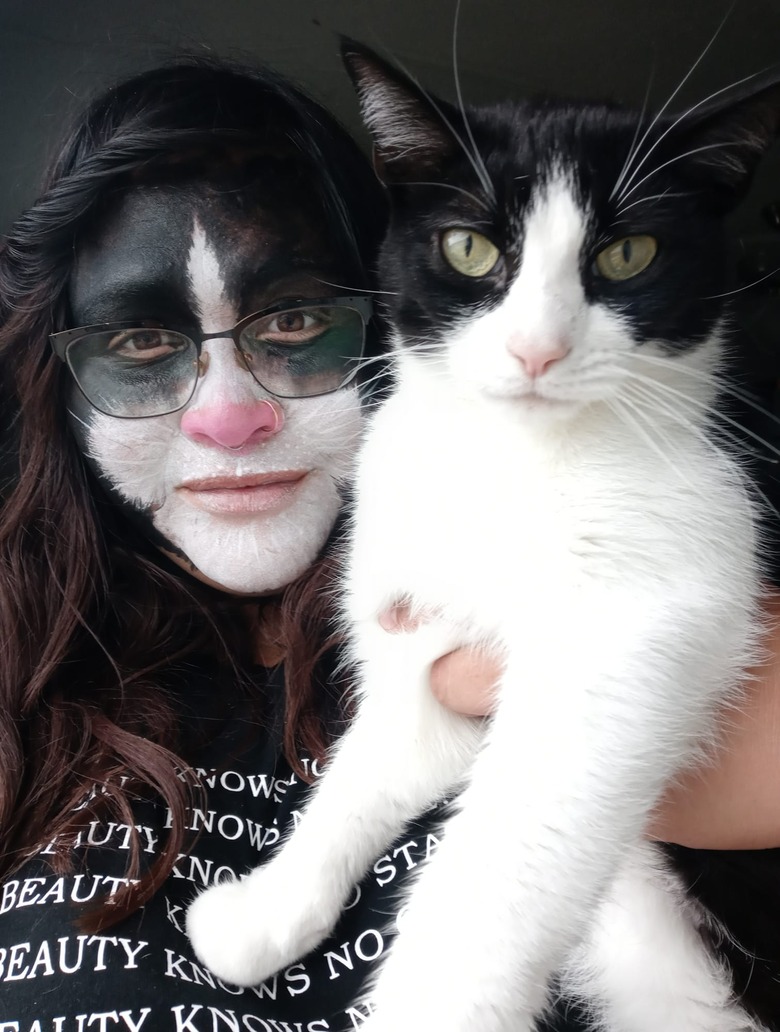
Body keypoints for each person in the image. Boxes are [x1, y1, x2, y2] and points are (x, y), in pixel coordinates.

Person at [0, 53, 778, 1032]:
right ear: (54, 380)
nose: (226, 421)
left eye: (294, 318)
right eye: (141, 345)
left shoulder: (644, 512)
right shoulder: (27, 679)